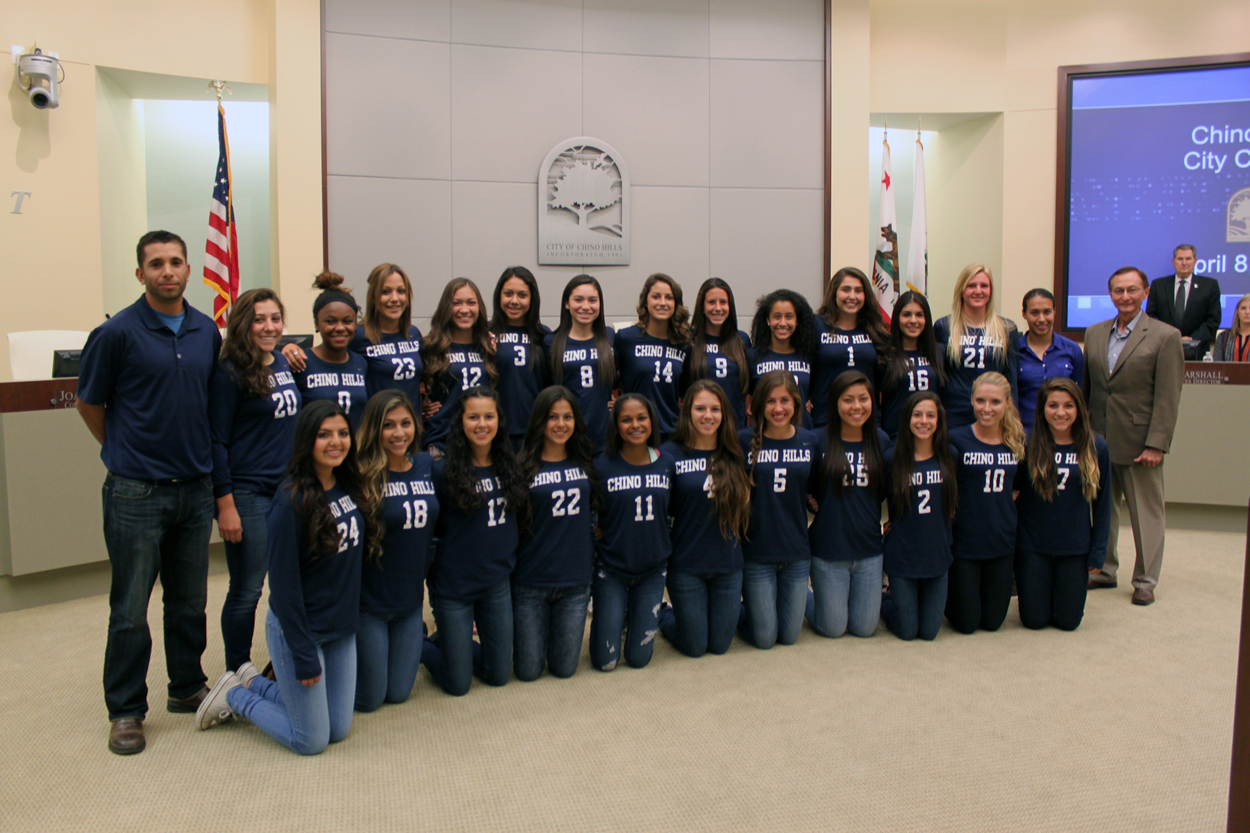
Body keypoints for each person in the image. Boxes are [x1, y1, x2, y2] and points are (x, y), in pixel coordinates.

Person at [76, 230, 221, 755]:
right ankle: (126, 711)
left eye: (175, 262)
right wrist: (122, 451)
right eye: (155, 264)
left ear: (188, 269)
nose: (167, 271)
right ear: (140, 274)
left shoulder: (207, 331)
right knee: (130, 607)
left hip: (195, 489)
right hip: (135, 493)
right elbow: (89, 403)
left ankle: (186, 688)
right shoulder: (116, 332)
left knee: (189, 603)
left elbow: (209, 405)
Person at [195, 400, 377, 754]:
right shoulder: (290, 500)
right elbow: (284, 585)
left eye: (342, 433)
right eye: (324, 435)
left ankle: (251, 680)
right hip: (300, 629)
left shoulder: (349, 487)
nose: (336, 442)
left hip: (339, 628)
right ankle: (234, 696)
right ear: (307, 440)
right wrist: (303, 652)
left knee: (338, 729)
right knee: (311, 741)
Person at [209, 288, 301, 674]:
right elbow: (215, 440)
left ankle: (281, 658)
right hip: (247, 495)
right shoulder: (229, 373)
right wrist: (225, 503)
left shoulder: (281, 361)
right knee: (248, 588)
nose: (269, 327)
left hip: (286, 493)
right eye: (259, 319)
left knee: (285, 583)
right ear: (243, 323)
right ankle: (237, 670)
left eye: (275, 318)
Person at [1083, 266, 1184, 605]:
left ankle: (1145, 580)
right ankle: (1105, 570)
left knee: (1146, 514)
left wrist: (1157, 443)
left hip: (1141, 442)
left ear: (1145, 292)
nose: (1124, 297)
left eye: (1131, 290)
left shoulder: (1164, 335)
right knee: (1103, 512)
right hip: (1099, 439)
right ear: (1110, 294)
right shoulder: (1095, 333)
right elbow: (1090, 389)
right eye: (1118, 291)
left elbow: (1168, 397)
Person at [421, 386, 525, 695]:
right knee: (458, 684)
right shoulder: (442, 471)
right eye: (473, 417)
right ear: (460, 422)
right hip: (454, 587)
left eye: (489, 416)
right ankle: (421, 645)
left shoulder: (511, 466)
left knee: (498, 675)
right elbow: (433, 532)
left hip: (495, 583)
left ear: (499, 421)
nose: (482, 424)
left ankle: (455, 645)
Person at [353, 391, 438, 712]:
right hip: (369, 604)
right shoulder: (359, 473)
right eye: (388, 425)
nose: (398, 433)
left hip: (409, 603)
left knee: (399, 694)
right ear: (375, 428)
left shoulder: (427, 465)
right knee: (370, 700)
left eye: (405, 423)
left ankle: (428, 640)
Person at [658, 380, 751, 658]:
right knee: (696, 647)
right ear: (686, 410)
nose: (707, 416)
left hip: (728, 562)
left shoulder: (736, 451)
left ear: (724, 414)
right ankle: (664, 614)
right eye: (700, 408)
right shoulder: (669, 454)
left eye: (714, 409)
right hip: (687, 564)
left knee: (720, 646)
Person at [512, 386, 597, 681]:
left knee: (564, 670)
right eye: (552, 417)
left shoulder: (586, 462)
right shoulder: (521, 466)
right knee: (528, 672)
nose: (561, 424)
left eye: (567, 417)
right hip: (531, 582)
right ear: (539, 420)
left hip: (575, 582)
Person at [1015, 378, 1111, 631]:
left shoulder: (1096, 446)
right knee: (1034, 621)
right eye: (1053, 405)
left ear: (1078, 408)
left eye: (1068, 406)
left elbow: (1102, 506)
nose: (1060, 413)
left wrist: (1098, 551)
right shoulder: (1027, 443)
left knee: (1068, 622)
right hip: (1033, 545)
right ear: (1042, 409)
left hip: (1075, 547)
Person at [590, 394, 674, 671]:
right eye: (626, 419)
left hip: (652, 569)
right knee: (605, 663)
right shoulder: (601, 466)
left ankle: (658, 613)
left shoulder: (666, 463)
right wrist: (599, 532)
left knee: (639, 661)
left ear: (652, 421)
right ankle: (618, 618)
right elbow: (591, 510)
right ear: (616, 425)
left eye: (641, 418)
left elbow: (672, 509)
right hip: (612, 569)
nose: (635, 425)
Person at [738, 370, 818, 649]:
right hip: (757, 553)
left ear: (796, 403)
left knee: (789, 637)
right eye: (771, 401)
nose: (778, 408)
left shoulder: (810, 441)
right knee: (764, 639)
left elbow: (816, 488)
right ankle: (731, 607)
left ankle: (800, 596)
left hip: (796, 552)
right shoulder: (743, 441)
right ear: (758, 405)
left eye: (785, 400)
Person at [806, 370, 889, 639]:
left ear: (873, 402)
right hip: (829, 550)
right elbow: (803, 485)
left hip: (869, 550)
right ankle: (797, 596)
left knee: (865, 629)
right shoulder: (817, 440)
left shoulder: (882, 440)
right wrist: (809, 500)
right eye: (847, 399)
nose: (856, 407)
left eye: (863, 399)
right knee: (833, 628)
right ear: (835, 403)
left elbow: (886, 489)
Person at [945, 372, 1024, 634]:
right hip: (965, 542)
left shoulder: (1017, 443)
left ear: (1008, 404)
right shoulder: (956, 439)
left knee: (992, 623)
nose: (986, 409)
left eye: (995, 402)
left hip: (1001, 541)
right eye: (980, 400)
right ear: (971, 401)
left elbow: (1020, 487)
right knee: (967, 624)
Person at [283, 263, 424, 406]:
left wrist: (428, 403)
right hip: (375, 424)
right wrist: (289, 347)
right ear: (373, 297)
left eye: (401, 291)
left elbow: (421, 380)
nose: (394, 298)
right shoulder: (358, 335)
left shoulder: (413, 333)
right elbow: (326, 358)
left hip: (410, 423)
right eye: (385, 292)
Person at [880, 392, 958, 641]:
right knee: (907, 631)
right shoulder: (892, 458)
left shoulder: (950, 456)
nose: (923, 421)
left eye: (930, 415)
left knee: (929, 633)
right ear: (907, 419)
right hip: (903, 554)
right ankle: (883, 597)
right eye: (917, 415)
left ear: (939, 421)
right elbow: (874, 497)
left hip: (937, 553)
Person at [933, 263, 1019, 427]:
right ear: (961, 290)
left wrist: (1014, 418)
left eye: (984, 286)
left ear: (991, 290)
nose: (978, 291)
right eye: (971, 286)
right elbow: (937, 376)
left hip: (993, 414)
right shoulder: (944, 327)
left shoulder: (1007, 329)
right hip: (953, 414)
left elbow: (1012, 378)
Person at [420, 278, 498, 450]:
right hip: (441, 440)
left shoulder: (488, 346)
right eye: (456, 303)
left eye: (471, 303)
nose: (464, 310)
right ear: (447, 307)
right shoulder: (430, 347)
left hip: (480, 442)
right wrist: (421, 406)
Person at [613, 273, 691, 439]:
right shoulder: (626, 338)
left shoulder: (684, 344)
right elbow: (609, 380)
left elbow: (686, 392)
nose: (662, 303)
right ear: (645, 301)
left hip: (671, 432)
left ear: (676, 303)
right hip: (634, 432)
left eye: (669, 297)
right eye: (656, 296)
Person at [546, 275, 616, 453]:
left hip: (605, 437)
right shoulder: (551, 342)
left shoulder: (610, 337)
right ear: (567, 304)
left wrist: (622, 399)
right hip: (567, 437)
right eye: (578, 300)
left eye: (593, 300)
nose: (586, 306)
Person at [811, 267, 888, 428]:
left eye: (858, 291)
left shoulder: (875, 329)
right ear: (834, 293)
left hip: (866, 421)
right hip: (825, 419)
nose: (852, 296)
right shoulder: (816, 325)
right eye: (846, 290)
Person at [292, 272, 369, 430]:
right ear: (317, 324)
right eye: (330, 321)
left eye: (347, 321)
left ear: (356, 324)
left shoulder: (361, 363)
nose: (340, 328)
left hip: (354, 451)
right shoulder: (301, 362)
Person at [490, 266, 550, 450]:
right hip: (495, 431)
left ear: (532, 299)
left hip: (535, 431)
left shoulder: (544, 336)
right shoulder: (485, 334)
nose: (514, 301)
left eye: (522, 295)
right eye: (508, 293)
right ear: (499, 296)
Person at [685, 278, 752, 428]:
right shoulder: (689, 341)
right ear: (702, 306)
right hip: (699, 429)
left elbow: (749, 389)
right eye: (711, 302)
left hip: (735, 429)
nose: (718, 308)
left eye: (723, 302)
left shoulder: (742, 340)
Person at [878, 291, 946, 441]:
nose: (913, 320)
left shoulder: (938, 352)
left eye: (919, 315)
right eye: (907, 314)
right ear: (897, 318)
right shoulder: (885, 353)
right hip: (896, 437)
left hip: (930, 437)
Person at [1017, 288, 1083, 433]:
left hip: (1062, 436)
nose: (1041, 319)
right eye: (1034, 313)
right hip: (1024, 435)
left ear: (1054, 312)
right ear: (1024, 314)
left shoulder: (1072, 350)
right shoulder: (1013, 351)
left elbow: (1079, 394)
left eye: (1047, 312)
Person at [749, 289, 817, 428]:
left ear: (797, 320)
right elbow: (747, 402)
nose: (783, 323)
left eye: (789, 316)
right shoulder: (752, 356)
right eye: (777, 316)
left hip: (801, 435)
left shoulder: (808, 356)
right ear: (768, 320)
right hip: (763, 437)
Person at [1147, 244, 1222, 360]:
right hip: (1164, 349)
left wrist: (1192, 339)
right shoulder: (1159, 285)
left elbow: (1213, 319)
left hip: (1198, 351)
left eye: (1188, 259)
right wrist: (1166, 338)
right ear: (1173, 262)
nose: (1184, 263)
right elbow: (1150, 318)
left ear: (1195, 261)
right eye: (1180, 259)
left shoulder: (1209, 286)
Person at [1212, 293, 1250, 362]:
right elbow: (1217, 365)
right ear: (1237, 311)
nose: (1247, 312)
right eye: (1243, 308)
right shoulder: (1223, 337)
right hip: (1227, 373)